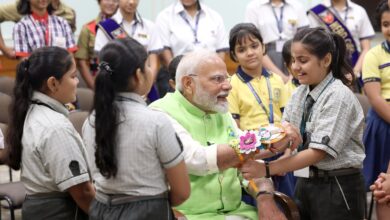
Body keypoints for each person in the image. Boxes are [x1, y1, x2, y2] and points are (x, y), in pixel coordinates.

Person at [150, 49, 302, 219]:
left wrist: (265, 197)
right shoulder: (161, 114)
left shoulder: (219, 110)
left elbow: (247, 163)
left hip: (238, 213)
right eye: (217, 79)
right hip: (190, 216)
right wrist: (267, 136)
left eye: (226, 77)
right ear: (188, 83)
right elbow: (198, 159)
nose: (228, 85)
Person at [240, 27, 366, 220]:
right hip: (305, 181)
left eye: (303, 60)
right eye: (293, 60)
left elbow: (318, 152)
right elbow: (282, 136)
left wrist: (266, 169)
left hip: (337, 186)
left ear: (326, 60)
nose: (295, 67)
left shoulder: (338, 96)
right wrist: (245, 152)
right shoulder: (300, 92)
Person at [82, 37, 190, 220]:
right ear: (138, 75)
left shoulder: (91, 121)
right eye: (148, 65)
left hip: (100, 210)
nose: (151, 70)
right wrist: (155, 203)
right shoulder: (156, 122)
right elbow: (182, 192)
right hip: (148, 212)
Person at [5, 46, 95, 219]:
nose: (77, 82)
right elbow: (83, 193)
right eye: (73, 76)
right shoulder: (55, 128)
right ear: (53, 83)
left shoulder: (33, 111)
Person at [227, 23, 295, 198]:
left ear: (263, 47)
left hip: (283, 152)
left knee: (290, 206)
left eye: (254, 46)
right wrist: (257, 155)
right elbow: (235, 129)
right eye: (242, 50)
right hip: (253, 155)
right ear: (234, 55)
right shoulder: (231, 85)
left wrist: (286, 154)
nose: (250, 52)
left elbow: (289, 121)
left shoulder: (277, 80)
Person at [361, 1, 390, 219]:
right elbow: (374, 97)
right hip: (383, 122)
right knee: (383, 188)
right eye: (386, 24)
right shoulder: (373, 55)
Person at [308, 0, 375, 90]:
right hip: (327, 69)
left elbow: (366, 48)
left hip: (355, 67)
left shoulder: (359, 11)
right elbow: (313, 46)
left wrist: (354, 72)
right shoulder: (317, 11)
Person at [245, 0, 309, 82]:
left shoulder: (297, 5)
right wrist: (281, 77)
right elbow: (253, 45)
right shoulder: (253, 7)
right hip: (265, 57)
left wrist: (294, 73)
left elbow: (305, 42)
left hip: (293, 56)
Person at [0, 0, 76, 58]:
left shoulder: (68, 14)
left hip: (60, 68)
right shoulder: (20, 12)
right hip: (34, 67)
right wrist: (4, 49)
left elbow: (69, 49)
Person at [75, 0, 118, 89]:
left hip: (121, 81)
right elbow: (81, 62)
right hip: (98, 81)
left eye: (115, 0)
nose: (110, 3)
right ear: (99, 2)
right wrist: (94, 87)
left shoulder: (125, 28)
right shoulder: (88, 29)